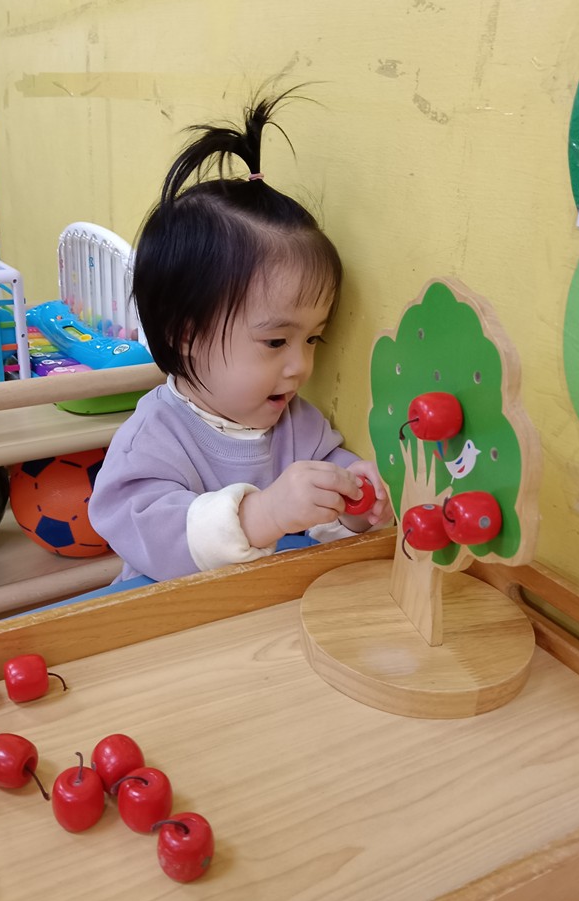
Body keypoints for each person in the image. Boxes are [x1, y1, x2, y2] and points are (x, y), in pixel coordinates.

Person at [89, 89, 391, 584]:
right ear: (186, 335)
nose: (300, 367)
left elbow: (328, 489)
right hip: (180, 616)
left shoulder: (299, 423)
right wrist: (262, 515)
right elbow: (149, 535)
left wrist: (357, 500)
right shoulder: (154, 438)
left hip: (272, 612)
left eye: (313, 340)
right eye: (276, 342)